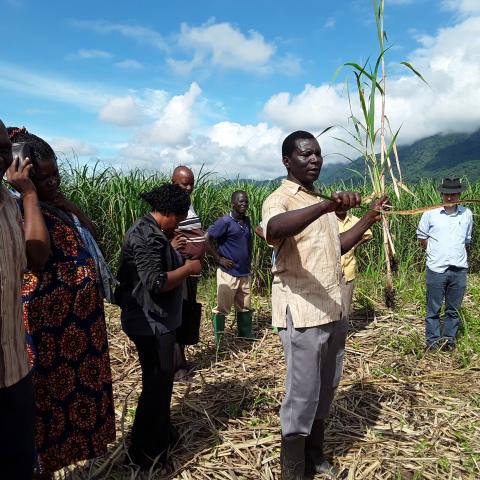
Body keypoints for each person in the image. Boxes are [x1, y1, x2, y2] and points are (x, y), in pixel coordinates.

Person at [261, 131, 387, 479]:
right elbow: (273, 229)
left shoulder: (320, 200)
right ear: (287, 161)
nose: (314, 160)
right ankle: (293, 470)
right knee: (303, 393)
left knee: (328, 385)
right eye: (305, 155)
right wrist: (324, 206)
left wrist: (369, 217)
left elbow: (338, 246)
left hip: (332, 309)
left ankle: (314, 454)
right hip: (302, 312)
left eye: (318, 154)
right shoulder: (279, 198)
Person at [7, 127, 116, 478]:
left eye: (56, 174)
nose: (52, 183)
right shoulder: (20, 209)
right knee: (46, 414)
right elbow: (37, 257)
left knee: (73, 410)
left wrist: (63, 203)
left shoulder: (54, 206)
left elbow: (91, 237)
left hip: (76, 335)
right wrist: (29, 195)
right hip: (47, 333)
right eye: (42, 178)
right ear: (22, 176)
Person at [115, 184, 202, 470]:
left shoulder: (154, 232)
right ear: (167, 213)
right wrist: (188, 269)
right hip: (149, 323)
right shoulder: (145, 235)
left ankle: (161, 436)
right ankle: (145, 452)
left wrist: (172, 247)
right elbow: (155, 282)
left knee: (160, 384)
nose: (178, 223)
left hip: (159, 320)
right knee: (156, 386)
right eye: (177, 217)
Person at [0, 120, 50, 480]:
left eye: (5, 148)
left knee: (18, 462)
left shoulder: (10, 204)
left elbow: (37, 257)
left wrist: (30, 194)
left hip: (14, 364)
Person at [416, 177, 473, 351]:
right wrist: (436, 252)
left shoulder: (467, 214)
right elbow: (422, 238)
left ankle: (449, 341)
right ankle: (432, 342)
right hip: (436, 268)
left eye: (453, 194)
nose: (449, 198)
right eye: (446, 194)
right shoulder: (430, 214)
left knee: (453, 309)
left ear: (459, 194)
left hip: (459, 268)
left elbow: (466, 240)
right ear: (441, 194)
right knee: (433, 309)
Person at [170, 166, 206, 380]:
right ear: (174, 182)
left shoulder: (187, 205)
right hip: (178, 270)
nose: (189, 187)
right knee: (177, 315)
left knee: (186, 314)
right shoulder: (169, 206)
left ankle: (181, 360)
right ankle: (177, 368)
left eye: (191, 183)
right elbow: (160, 234)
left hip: (190, 272)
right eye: (184, 184)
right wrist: (171, 246)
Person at [206, 191, 253, 343]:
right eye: (240, 201)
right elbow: (206, 238)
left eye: (246, 201)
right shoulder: (225, 222)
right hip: (228, 273)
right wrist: (219, 258)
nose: (244, 204)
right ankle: (219, 340)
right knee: (222, 308)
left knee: (245, 306)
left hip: (244, 272)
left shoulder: (246, 221)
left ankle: (245, 335)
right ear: (233, 203)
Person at [336, 207, 373, 318]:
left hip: (347, 269)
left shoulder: (355, 220)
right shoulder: (327, 220)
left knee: (345, 304)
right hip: (330, 269)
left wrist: (354, 245)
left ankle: (342, 331)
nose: (341, 206)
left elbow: (368, 235)